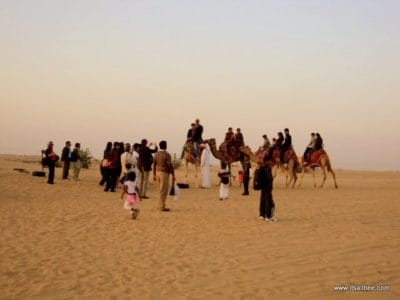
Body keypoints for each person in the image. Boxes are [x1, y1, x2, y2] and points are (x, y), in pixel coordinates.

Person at [153, 140, 175, 211]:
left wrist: (154, 174)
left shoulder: (156, 154)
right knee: (163, 190)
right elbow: (169, 165)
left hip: (158, 173)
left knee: (160, 190)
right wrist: (173, 174)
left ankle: (160, 205)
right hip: (164, 173)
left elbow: (154, 165)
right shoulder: (167, 155)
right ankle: (161, 206)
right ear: (165, 146)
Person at [258, 157, 276, 222]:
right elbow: (269, 178)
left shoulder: (262, 167)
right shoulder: (268, 168)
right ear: (270, 161)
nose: (273, 164)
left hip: (263, 187)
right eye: (273, 163)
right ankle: (268, 216)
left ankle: (262, 215)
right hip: (267, 187)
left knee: (262, 200)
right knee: (268, 201)